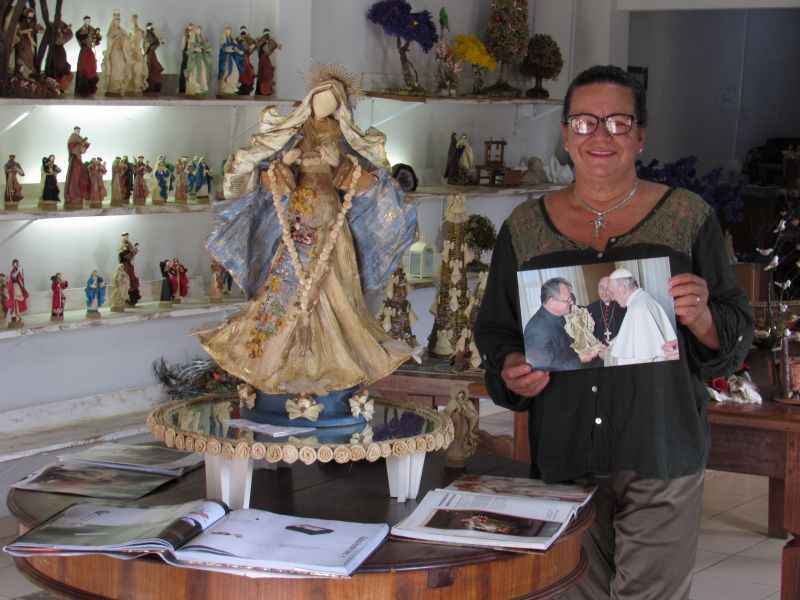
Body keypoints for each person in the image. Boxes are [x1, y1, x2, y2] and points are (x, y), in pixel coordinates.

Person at [474, 65, 753, 600]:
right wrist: (511, 374)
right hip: (564, 455)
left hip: (661, 450)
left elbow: (736, 333)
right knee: (568, 588)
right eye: (584, 122)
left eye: (617, 122)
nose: (599, 136)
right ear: (565, 133)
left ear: (640, 135)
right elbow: (497, 333)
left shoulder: (688, 218)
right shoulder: (525, 228)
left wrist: (703, 319)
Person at [603, 268, 678, 365]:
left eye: (612, 293)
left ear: (622, 288)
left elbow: (644, 358)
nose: (612, 298)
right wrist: (612, 344)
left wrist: (608, 355)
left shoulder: (637, 308)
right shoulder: (642, 298)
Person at [523, 277, 597, 372]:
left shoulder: (559, 315)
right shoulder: (536, 330)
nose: (571, 302)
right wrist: (579, 359)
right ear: (552, 302)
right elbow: (544, 369)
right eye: (567, 300)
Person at [586, 276, 625, 344]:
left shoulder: (622, 306)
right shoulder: (590, 308)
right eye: (601, 288)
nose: (604, 292)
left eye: (607, 288)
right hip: (599, 350)